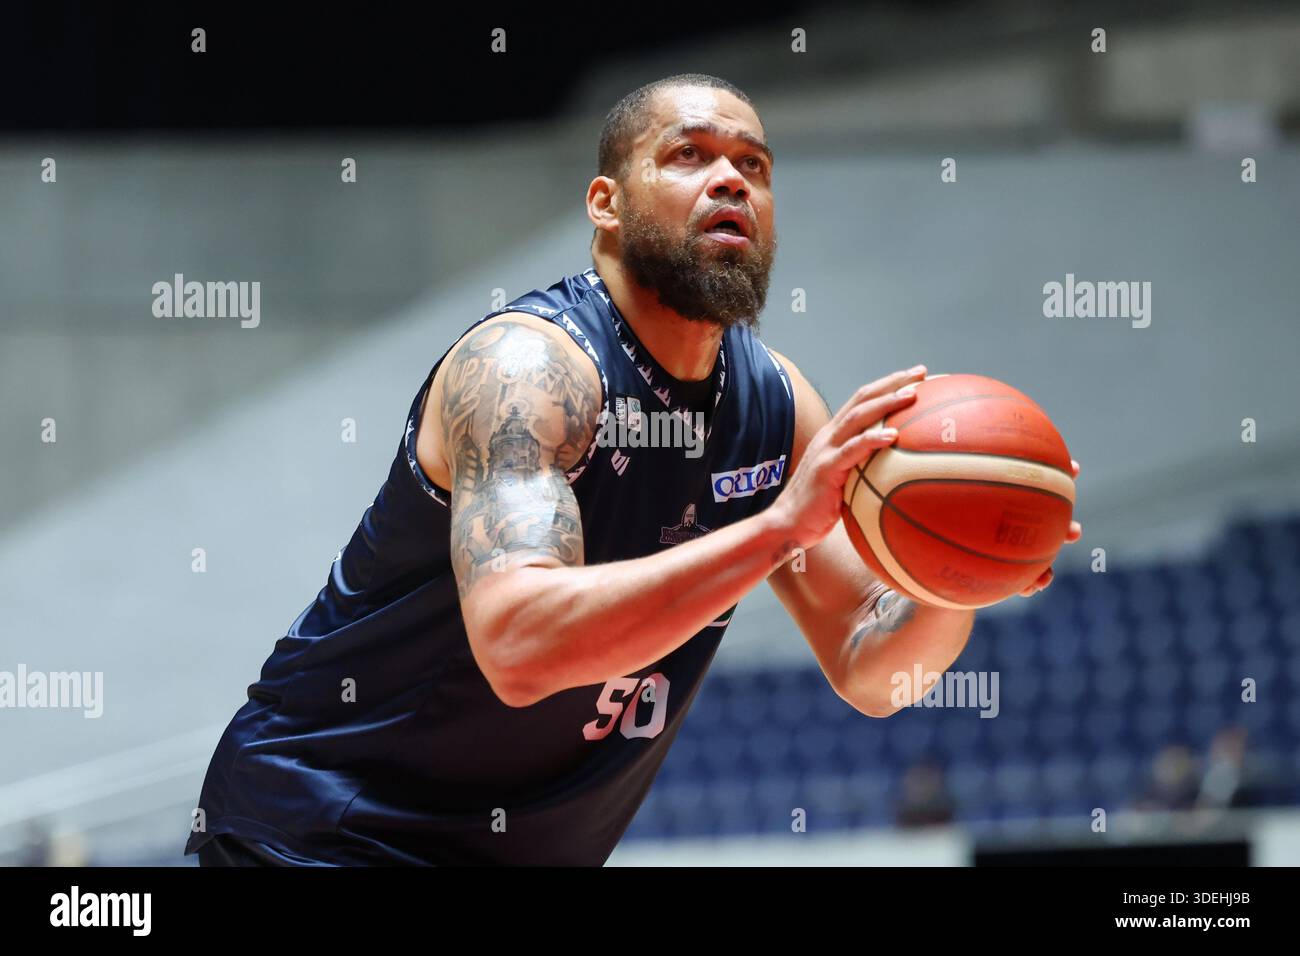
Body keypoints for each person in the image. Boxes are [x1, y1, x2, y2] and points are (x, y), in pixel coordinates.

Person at [185, 73, 1080, 866]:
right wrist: (777, 530)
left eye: (755, 167)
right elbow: (521, 647)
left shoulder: (774, 406)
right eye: (689, 155)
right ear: (606, 204)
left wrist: (952, 579)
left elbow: (873, 672)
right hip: (320, 836)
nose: (731, 179)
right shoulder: (529, 371)